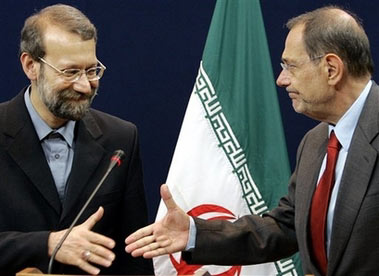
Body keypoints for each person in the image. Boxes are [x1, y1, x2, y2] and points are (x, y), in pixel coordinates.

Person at [125, 6, 379, 276]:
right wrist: (195, 234)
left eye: (290, 66)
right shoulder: (315, 142)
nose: (281, 80)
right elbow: (286, 226)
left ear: (331, 69)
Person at [0, 4, 153, 276]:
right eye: (70, 72)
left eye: (92, 70)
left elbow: (133, 258)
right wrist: (47, 244)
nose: (85, 85)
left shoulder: (121, 138)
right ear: (30, 66)